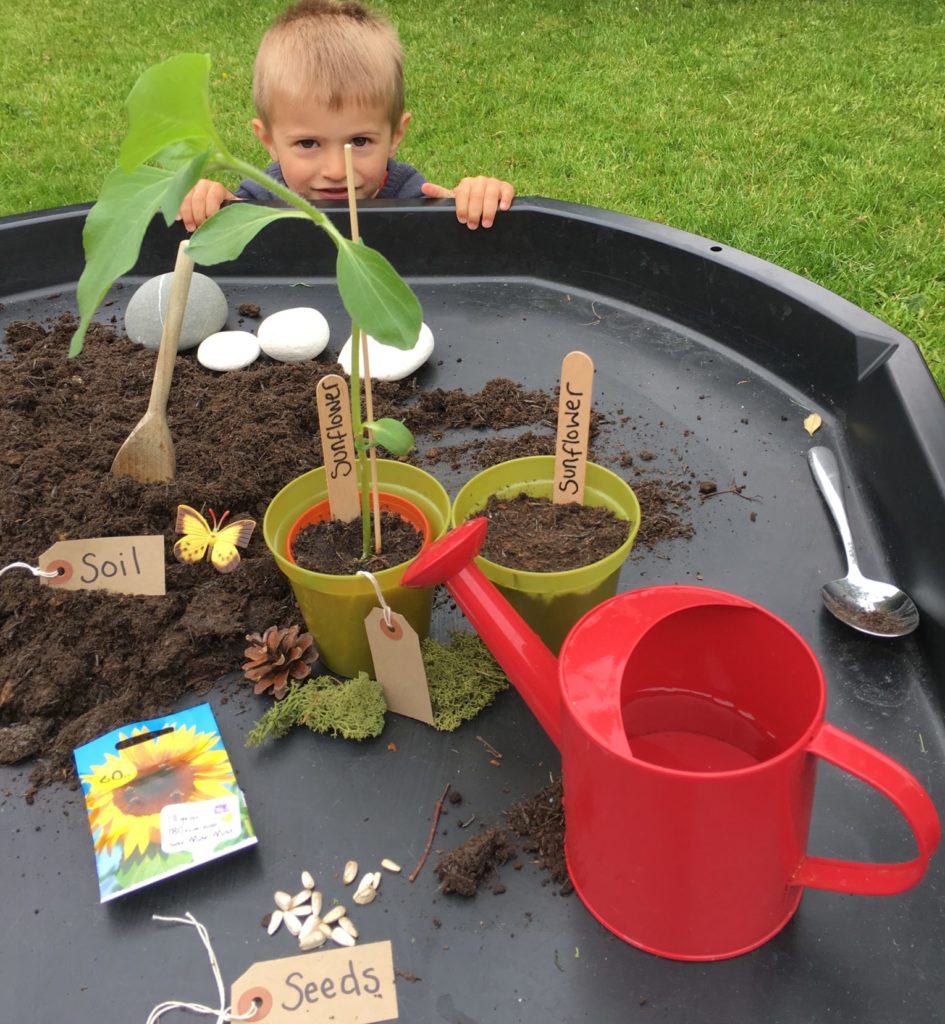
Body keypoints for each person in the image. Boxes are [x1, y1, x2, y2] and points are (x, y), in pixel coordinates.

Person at [178, 0, 514, 232]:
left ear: (396, 134)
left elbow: (452, 234)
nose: (337, 171)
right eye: (308, 143)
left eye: (359, 141)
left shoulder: (409, 197)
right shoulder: (261, 199)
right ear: (269, 141)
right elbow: (230, 233)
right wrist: (212, 199)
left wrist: (475, 198)